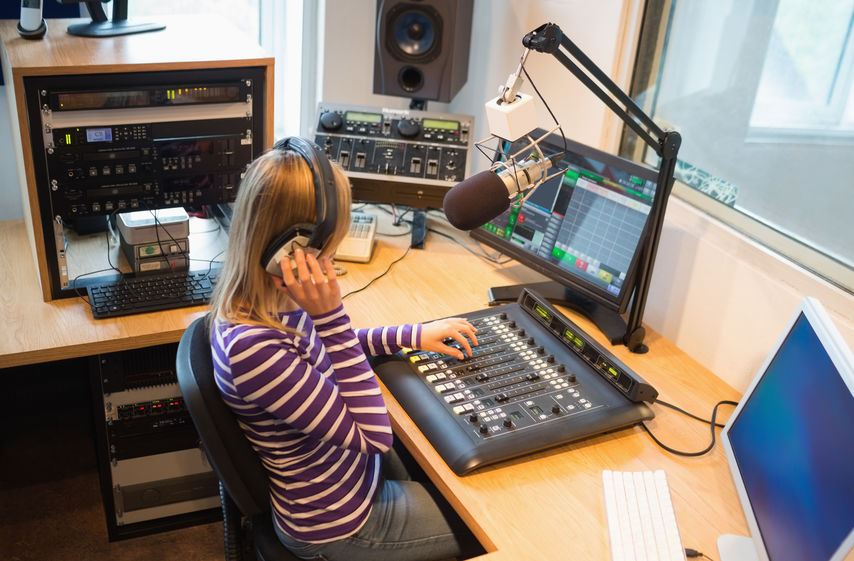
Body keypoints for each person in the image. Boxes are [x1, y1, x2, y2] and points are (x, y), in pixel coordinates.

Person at [208, 139, 480, 561]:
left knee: (458, 474)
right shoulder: (251, 349)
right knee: (484, 524)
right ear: (290, 252)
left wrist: (411, 334)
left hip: (354, 480)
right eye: (330, 248)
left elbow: (323, 353)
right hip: (339, 525)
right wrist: (330, 314)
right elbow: (375, 436)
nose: (333, 261)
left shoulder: (269, 303)